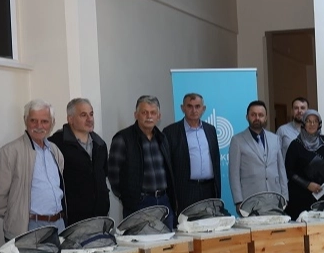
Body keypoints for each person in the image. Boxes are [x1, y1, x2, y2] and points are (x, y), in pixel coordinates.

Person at [0, 100, 67, 240]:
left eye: (44, 121)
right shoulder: (10, 152)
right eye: (33, 120)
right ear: (25, 120)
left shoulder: (54, 151)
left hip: (58, 225)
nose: (39, 126)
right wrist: (17, 216)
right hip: (29, 227)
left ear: (52, 123)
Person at [108, 95, 176, 229]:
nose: (149, 116)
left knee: (167, 240)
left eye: (153, 113)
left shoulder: (162, 138)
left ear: (159, 116)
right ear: (136, 115)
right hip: (139, 203)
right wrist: (129, 198)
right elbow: (113, 174)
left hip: (163, 201)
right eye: (144, 112)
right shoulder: (123, 138)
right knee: (141, 241)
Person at [48, 98, 109, 225]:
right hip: (72, 220)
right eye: (83, 115)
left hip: (99, 217)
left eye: (91, 114)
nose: (90, 119)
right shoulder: (56, 144)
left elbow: (103, 176)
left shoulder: (100, 144)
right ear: (70, 119)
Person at [163, 93, 220, 217]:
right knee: (186, 225)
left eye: (197, 106)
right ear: (182, 108)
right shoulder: (170, 132)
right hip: (185, 191)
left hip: (209, 189)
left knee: (210, 224)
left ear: (203, 109)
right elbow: (167, 167)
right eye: (189, 106)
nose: (194, 110)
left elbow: (215, 161)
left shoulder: (210, 130)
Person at [228, 100, 287, 206]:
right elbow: (234, 174)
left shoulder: (275, 139)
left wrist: (285, 197)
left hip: (275, 197)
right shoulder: (237, 140)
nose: (257, 118)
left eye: (261, 115)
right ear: (247, 117)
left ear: (266, 118)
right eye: (253, 115)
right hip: (250, 199)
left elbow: (281, 170)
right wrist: (238, 201)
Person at [284, 110, 324, 219]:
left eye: (315, 121)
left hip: (323, 196)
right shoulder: (295, 145)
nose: (312, 124)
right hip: (301, 197)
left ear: (319, 124)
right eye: (308, 121)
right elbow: (289, 171)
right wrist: (307, 184)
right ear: (303, 124)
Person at [276, 97, 307, 165]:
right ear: (292, 111)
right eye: (296, 108)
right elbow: (276, 156)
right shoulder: (282, 130)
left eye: (302, 108)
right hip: (287, 171)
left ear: (308, 111)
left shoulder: (314, 131)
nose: (299, 111)